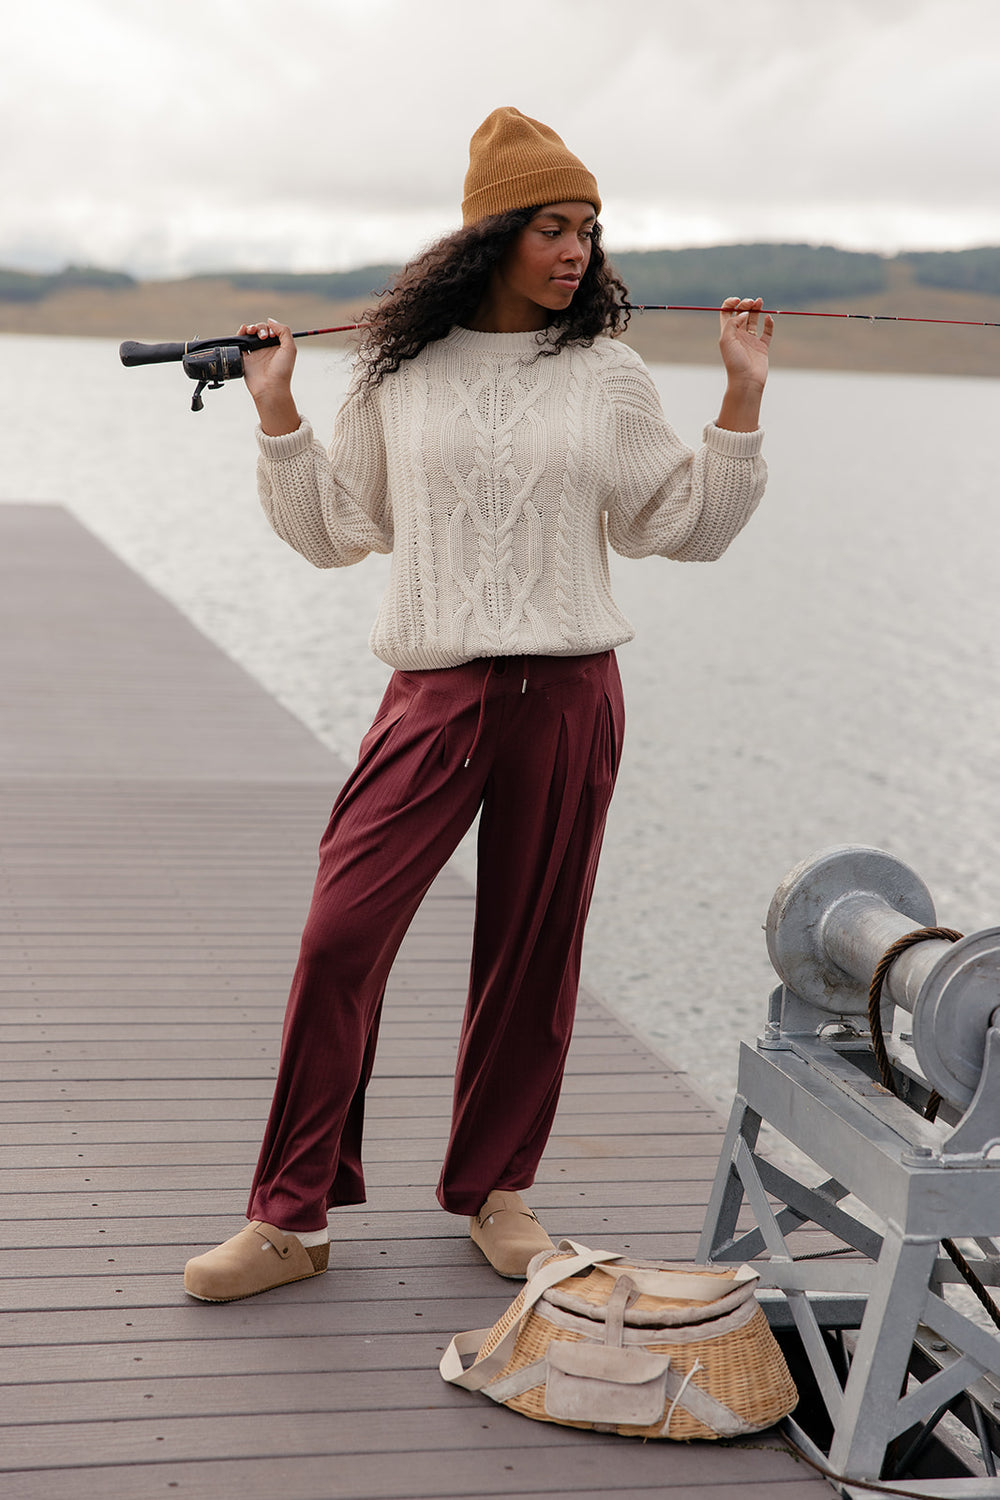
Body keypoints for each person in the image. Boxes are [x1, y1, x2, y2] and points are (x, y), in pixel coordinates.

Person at [183, 106, 773, 1302]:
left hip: (569, 695)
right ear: (491, 236)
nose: (576, 250)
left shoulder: (605, 375)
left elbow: (682, 527)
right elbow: (336, 531)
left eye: (588, 229)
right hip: (435, 693)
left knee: (531, 955)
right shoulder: (398, 373)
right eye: (552, 227)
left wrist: (740, 399)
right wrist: (278, 412)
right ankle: (290, 1218)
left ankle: (495, 1192)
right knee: (339, 937)